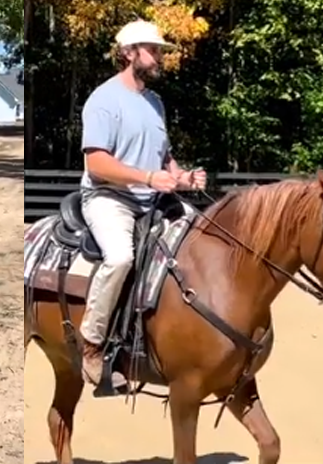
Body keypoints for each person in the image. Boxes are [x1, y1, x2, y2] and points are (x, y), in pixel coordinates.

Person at [79, 19, 207, 386]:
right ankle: (92, 342)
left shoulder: (155, 103)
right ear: (127, 53)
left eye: (160, 51)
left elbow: (164, 158)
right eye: (153, 50)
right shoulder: (103, 100)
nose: (159, 57)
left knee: (204, 238)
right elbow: (97, 163)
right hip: (110, 198)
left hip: (153, 198)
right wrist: (148, 178)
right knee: (120, 258)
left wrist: (183, 178)